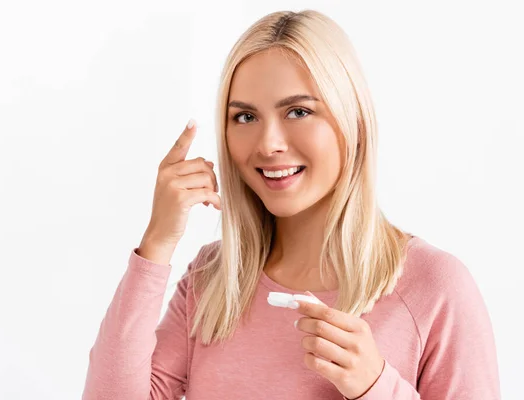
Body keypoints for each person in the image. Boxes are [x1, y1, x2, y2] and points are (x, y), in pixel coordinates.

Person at [81, 9, 500, 400]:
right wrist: (157, 243)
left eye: (298, 111)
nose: (268, 144)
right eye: (245, 117)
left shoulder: (435, 286)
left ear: (352, 121)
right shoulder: (213, 281)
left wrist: (376, 386)